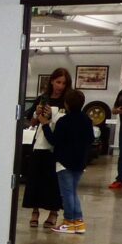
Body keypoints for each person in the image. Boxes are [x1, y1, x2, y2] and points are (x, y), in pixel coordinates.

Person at [39, 88, 92, 234]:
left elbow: (54, 140)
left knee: (67, 193)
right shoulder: (87, 120)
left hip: (64, 163)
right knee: (72, 192)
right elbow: (90, 140)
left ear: (66, 104)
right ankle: (78, 222)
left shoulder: (63, 121)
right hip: (80, 162)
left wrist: (45, 124)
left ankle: (69, 221)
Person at [23, 67, 70, 228]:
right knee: (35, 178)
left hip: (58, 146)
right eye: (58, 82)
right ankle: (35, 211)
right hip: (40, 144)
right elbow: (32, 123)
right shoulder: (42, 98)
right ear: (52, 81)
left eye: (64, 83)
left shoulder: (67, 101)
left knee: (54, 182)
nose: (60, 86)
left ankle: (53, 212)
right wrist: (37, 114)